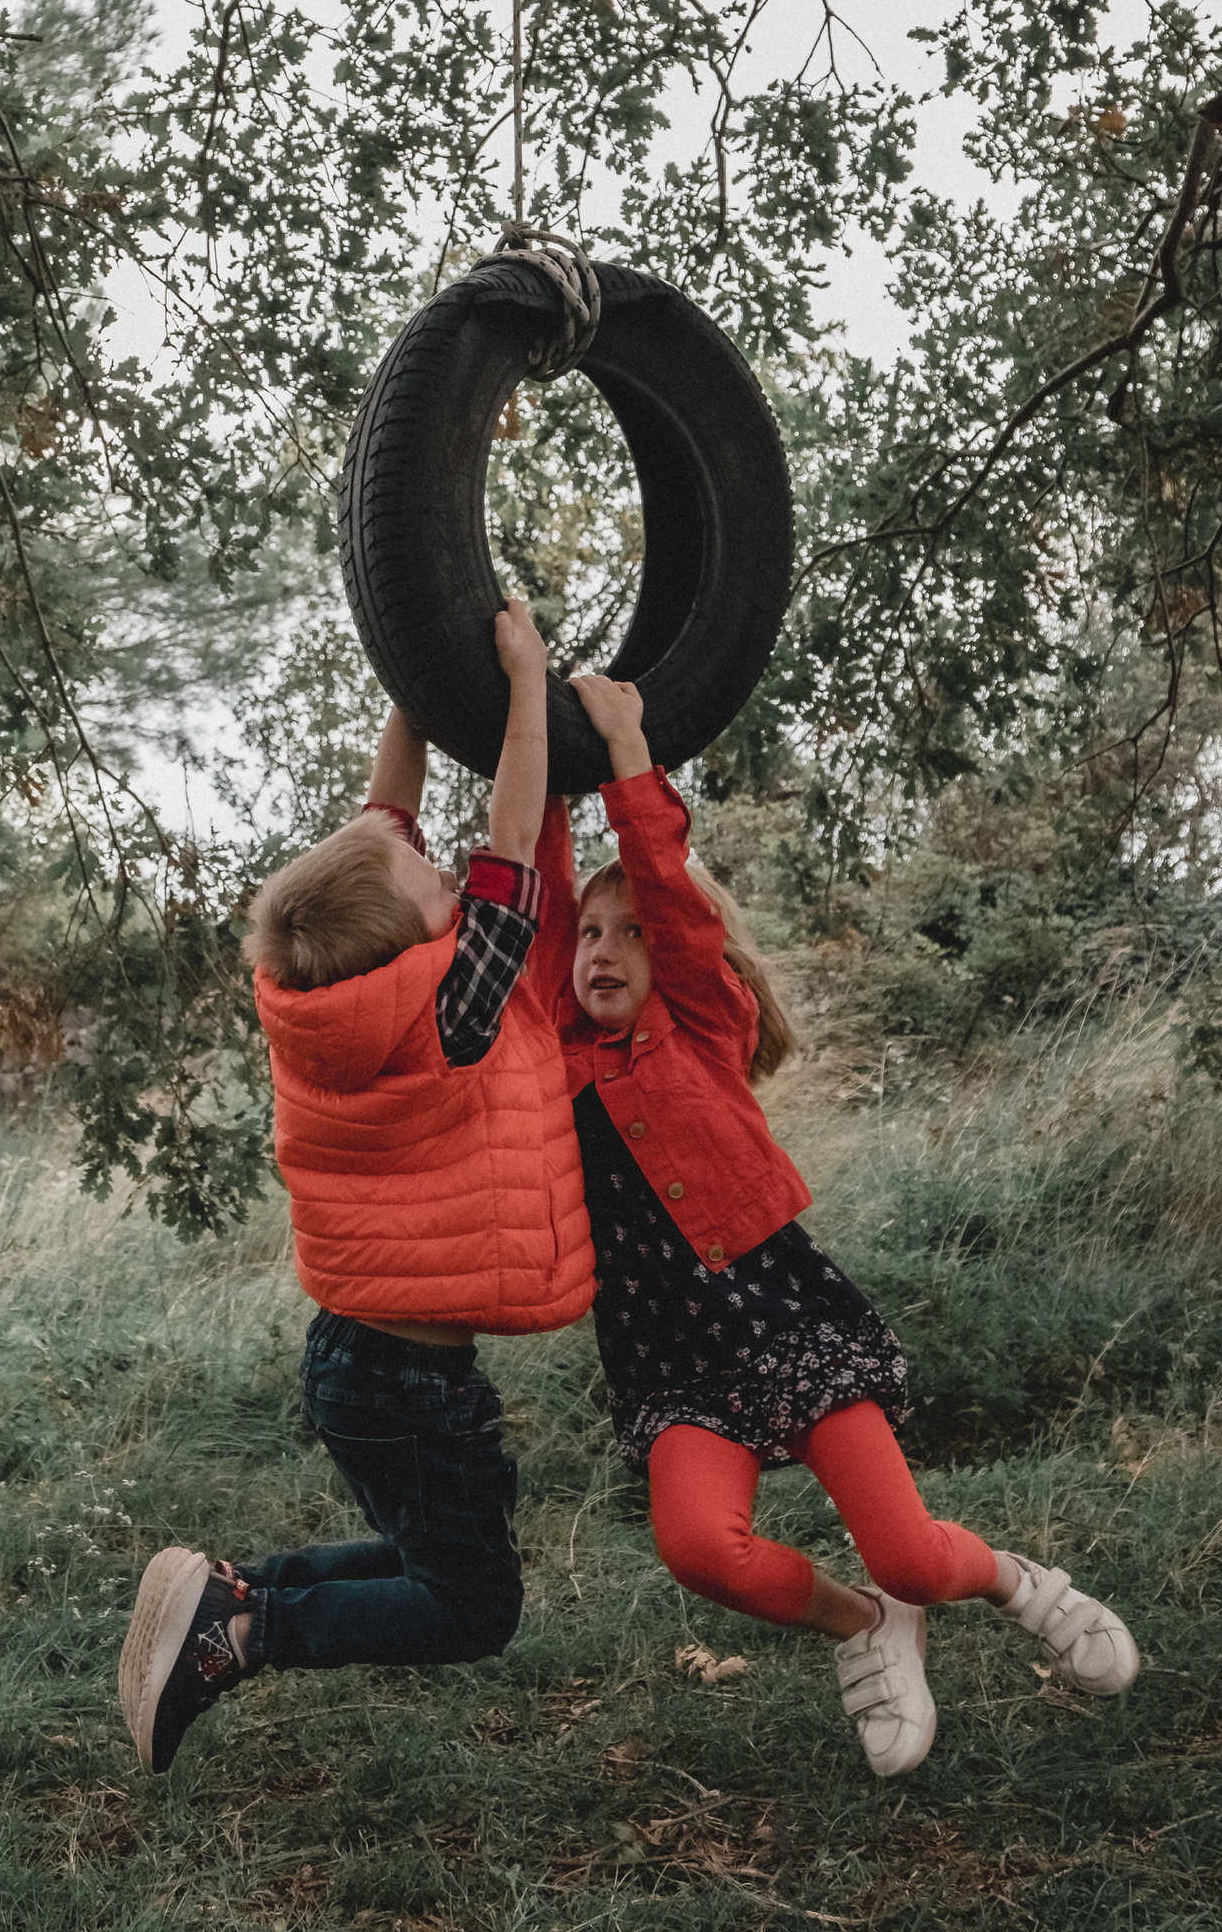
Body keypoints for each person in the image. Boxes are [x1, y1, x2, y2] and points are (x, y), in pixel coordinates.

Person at [557, 667, 1137, 1777]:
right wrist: (527, 738)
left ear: (680, 958)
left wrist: (628, 752)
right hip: (667, 1358)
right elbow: (533, 913)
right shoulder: (560, 1062)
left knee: (914, 1555)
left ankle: (1023, 1586)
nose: (601, 950)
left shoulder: (701, 1029)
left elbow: (671, 897)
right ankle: (861, 1626)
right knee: (698, 1553)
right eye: (589, 932)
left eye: (627, 932)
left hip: (781, 1319)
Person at [120, 601, 593, 1772]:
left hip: (358, 1358)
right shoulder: (450, 1005)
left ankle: (231, 1592)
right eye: (439, 884)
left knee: (425, 1559)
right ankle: (251, 1629)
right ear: (415, 939)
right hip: (405, 1378)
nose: (447, 873)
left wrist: (420, 682)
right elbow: (515, 832)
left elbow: (387, 814)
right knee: (470, 1607)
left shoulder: (312, 998)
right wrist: (523, 683)